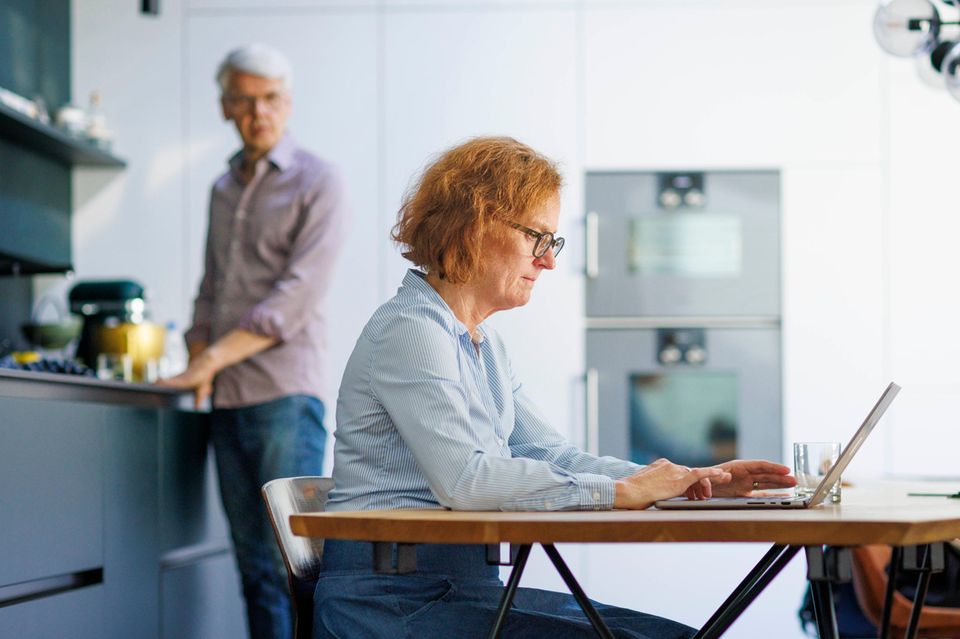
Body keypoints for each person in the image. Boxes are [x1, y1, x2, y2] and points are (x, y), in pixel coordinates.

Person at [315, 136, 795, 638]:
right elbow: (467, 481)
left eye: (552, 242)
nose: (549, 261)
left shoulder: (482, 345)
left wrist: (692, 479)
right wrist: (620, 492)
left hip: (457, 590)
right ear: (475, 225)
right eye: (536, 238)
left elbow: (553, 455)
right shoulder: (412, 330)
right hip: (389, 605)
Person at [159, 43, 347, 639]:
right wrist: (198, 357)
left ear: (287, 103)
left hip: (286, 398)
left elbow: (295, 297)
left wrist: (210, 357)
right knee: (252, 571)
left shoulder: (320, 181)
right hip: (228, 401)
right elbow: (212, 287)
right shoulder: (221, 188)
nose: (257, 112)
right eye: (243, 100)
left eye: (269, 99)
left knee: (294, 567)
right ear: (224, 107)